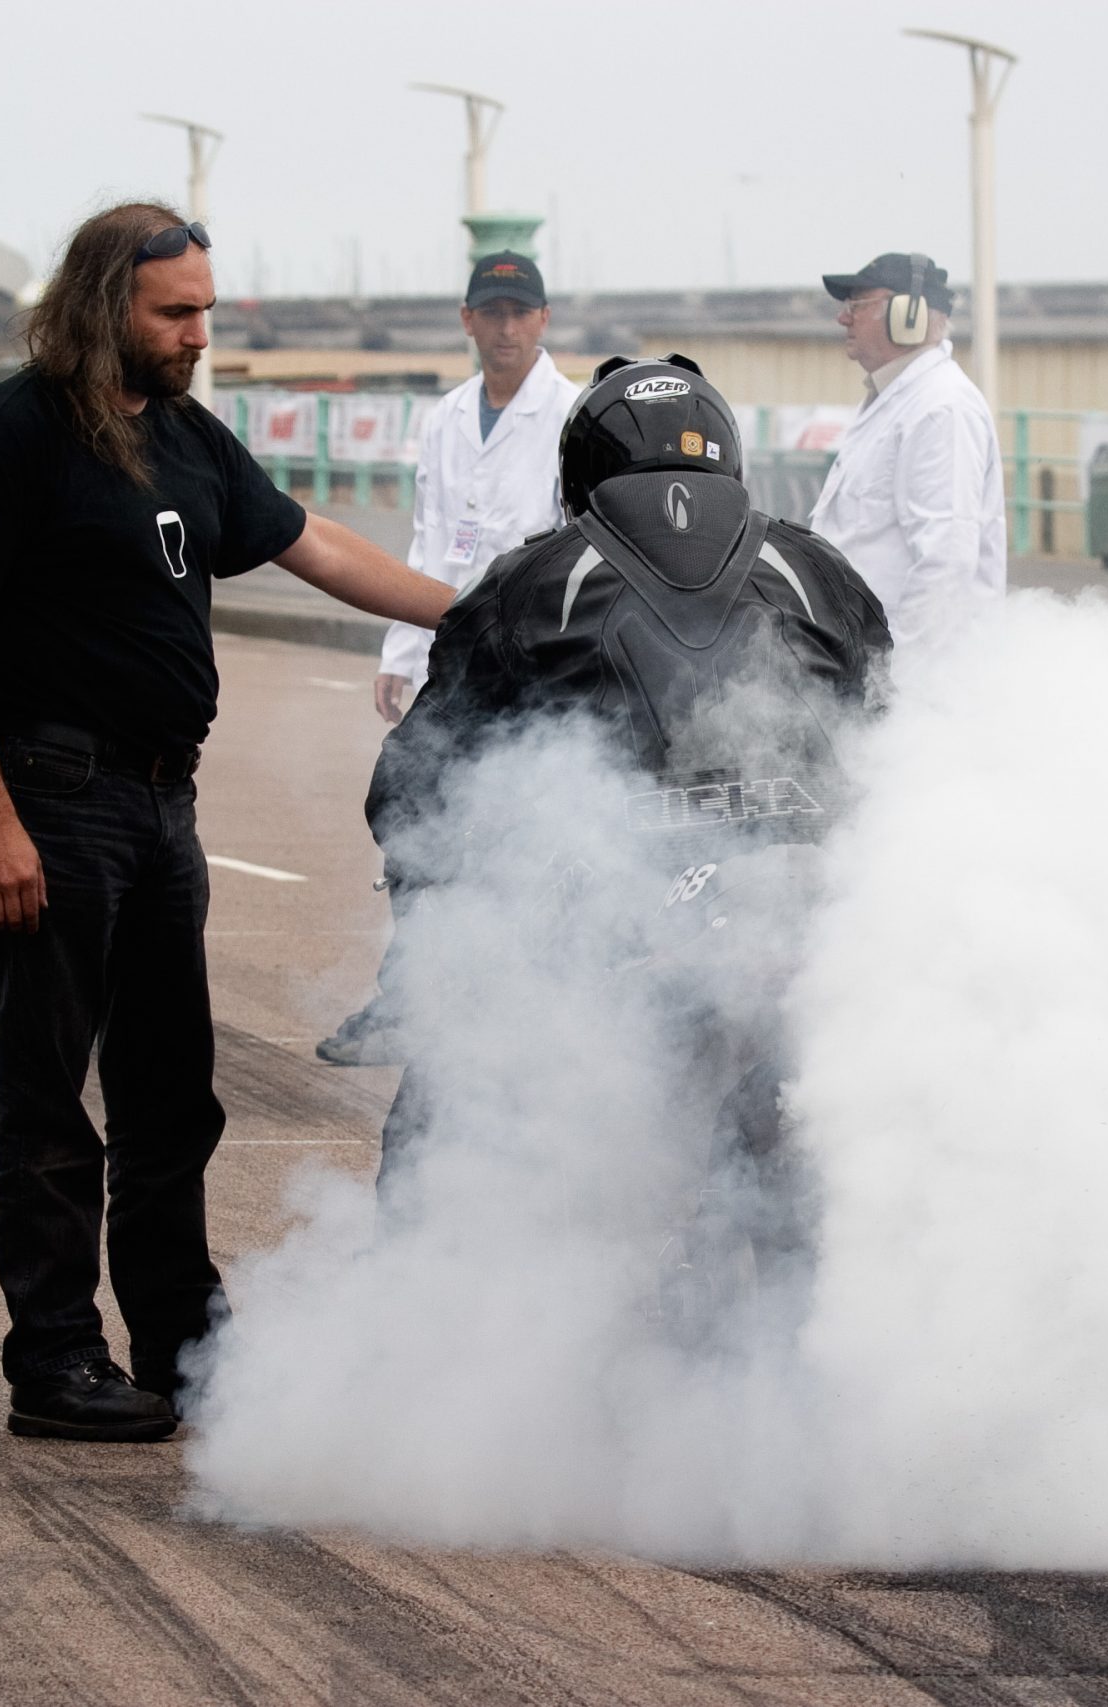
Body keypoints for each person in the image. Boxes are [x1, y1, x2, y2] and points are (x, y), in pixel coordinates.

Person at [0, 202, 455, 1442]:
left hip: (164, 803)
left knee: (172, 1095)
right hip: (53, 801)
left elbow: (308, 540)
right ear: (107, 305)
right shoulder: (14, 434)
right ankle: (53, 1361)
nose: (199, 332)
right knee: (53, 1101)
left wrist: (471, 611)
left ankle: (176, 1341)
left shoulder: (188, 438)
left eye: (206, 308)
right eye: (176, 312)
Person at [368, 355, 891, 1206]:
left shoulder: (528, 582)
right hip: (799, 930)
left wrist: (433, 940)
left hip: (606, 934)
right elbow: (892, 746)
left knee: (441, 1116)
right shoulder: (819, 571)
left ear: (580, 471)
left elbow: (413, 784)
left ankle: (414, 1314)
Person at [315, 251, 577, 1069]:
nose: (505, 327)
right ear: (467, 320)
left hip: (533, 662)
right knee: (414, 818)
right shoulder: (448, 415)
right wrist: (403, 649)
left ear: (543, 320)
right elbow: (429, 539)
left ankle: (519, 1004)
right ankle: (414, 997)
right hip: (451, 654)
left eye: (520, 312)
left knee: (522, 832)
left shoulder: (573, 416)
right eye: (490, 312)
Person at [807, 252, 1005, 667]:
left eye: (856, 306)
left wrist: (901, 683)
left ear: (908, 315)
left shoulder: (940, 407)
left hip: (911, 676)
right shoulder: (900, 400)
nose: (844, 319)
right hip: (870, 661)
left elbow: (946, 563)